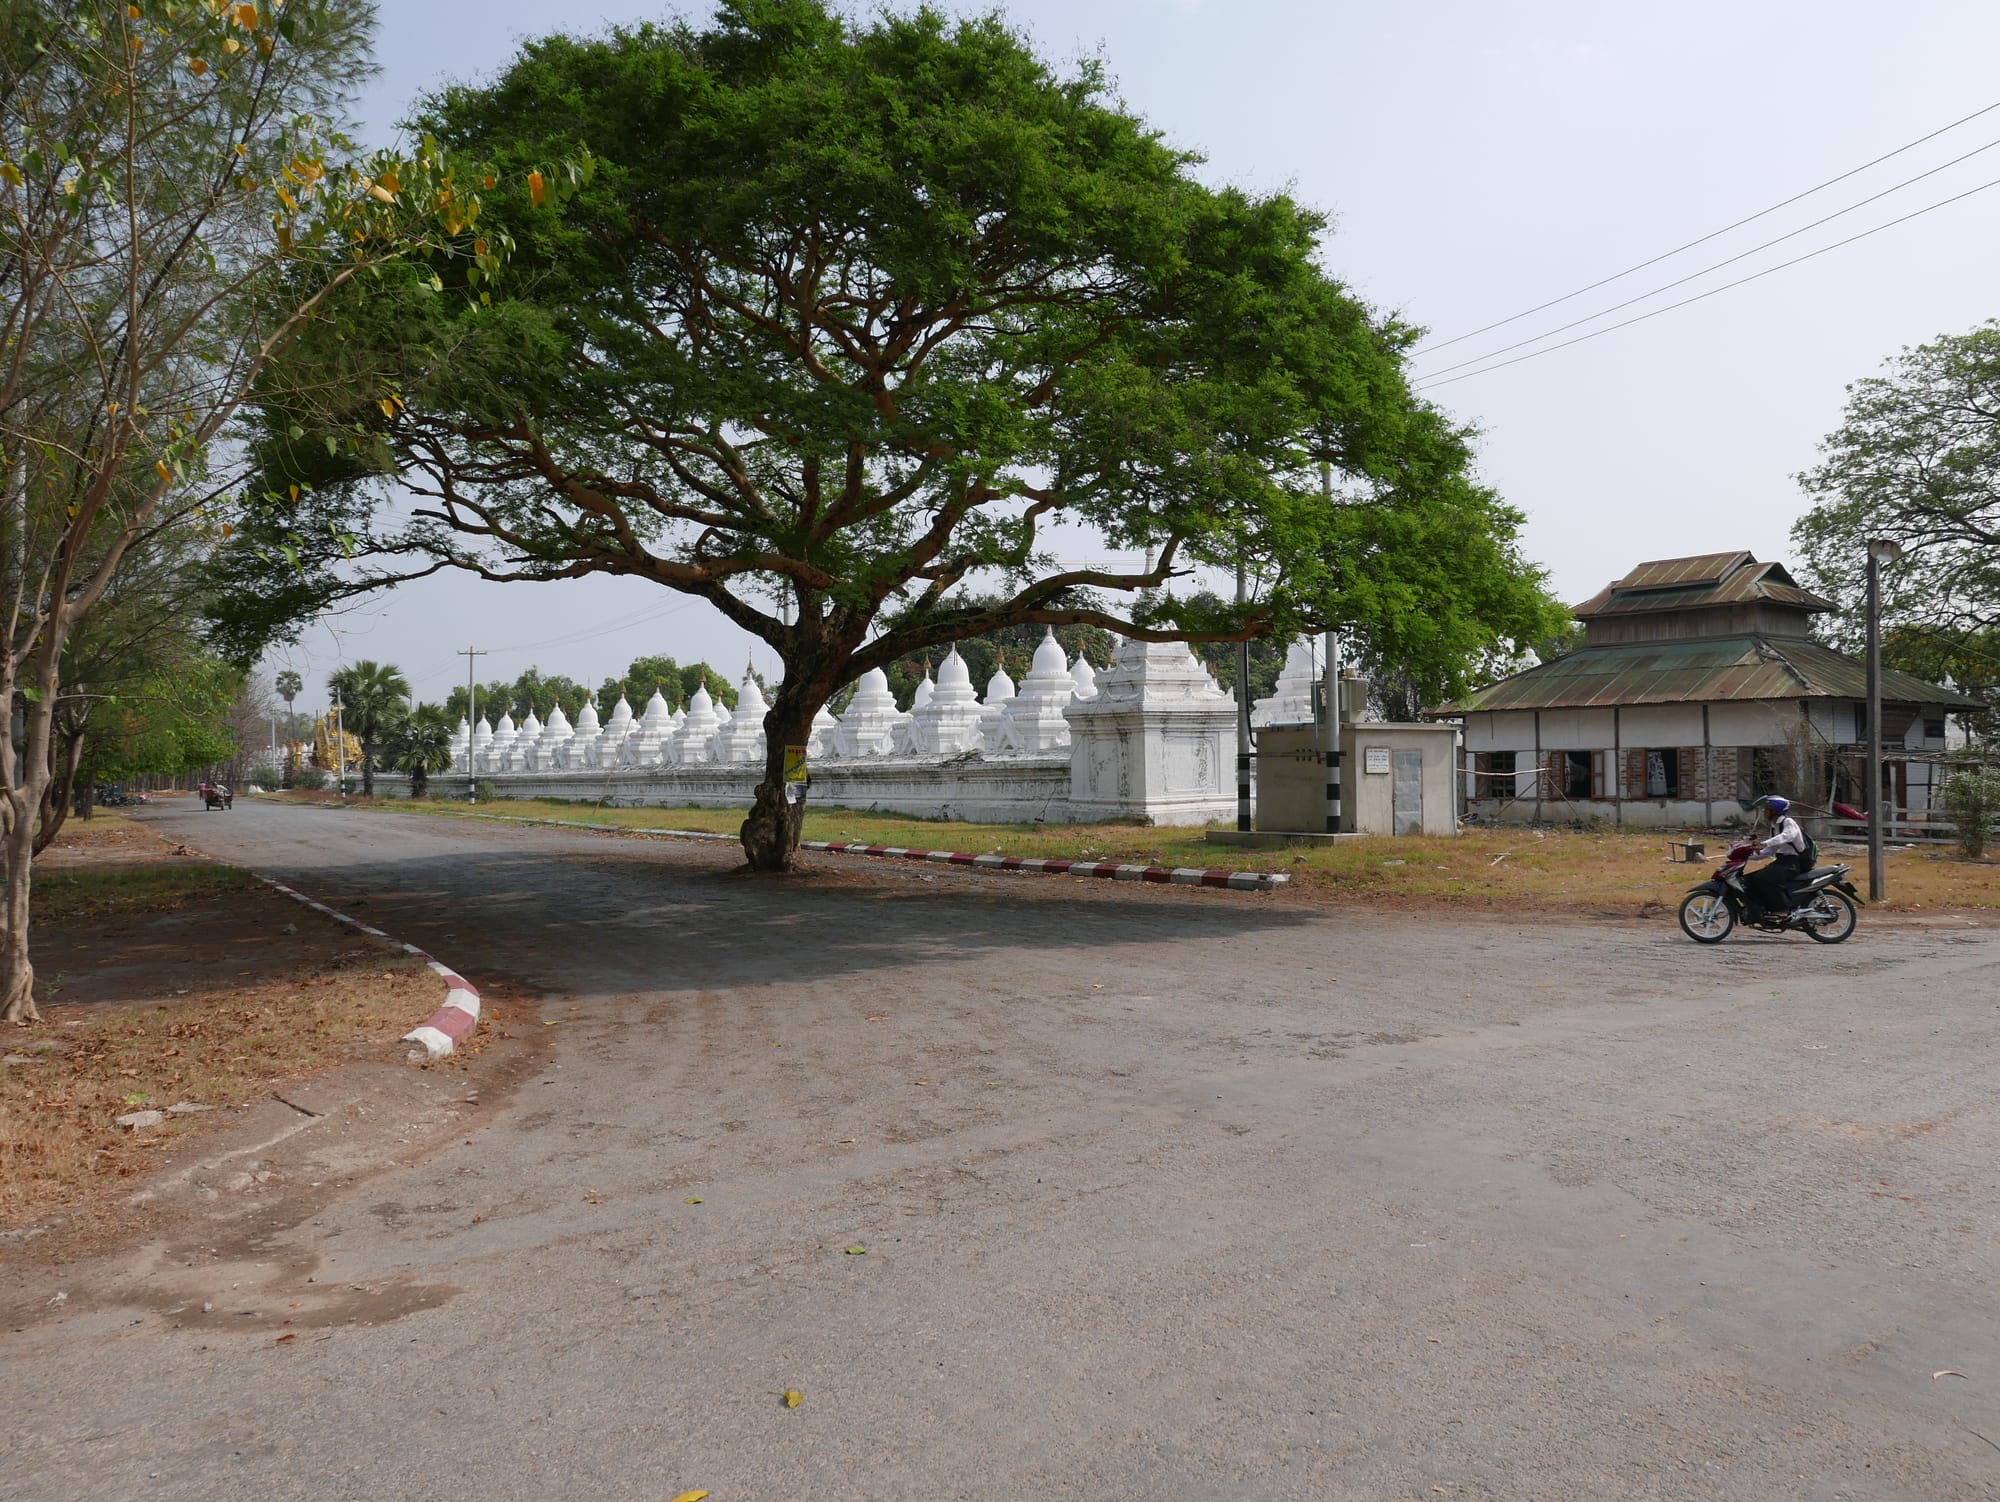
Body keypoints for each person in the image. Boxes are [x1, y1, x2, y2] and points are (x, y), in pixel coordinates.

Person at [1743, 795, 1809, 920]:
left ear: (1775, 811)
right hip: (1782, 861)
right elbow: (1769, 851)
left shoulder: (1788, 822)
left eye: (1766, 809)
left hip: (1793, 863)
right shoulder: (1774, 827)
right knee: (1749, 880)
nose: (1764, 811)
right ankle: (1764, 908)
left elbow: (1787, 836)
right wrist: (1746, 855)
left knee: (1765, 878)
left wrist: (1765, 843)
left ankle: (1782, 909)